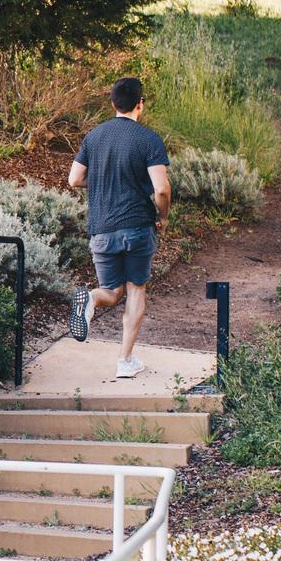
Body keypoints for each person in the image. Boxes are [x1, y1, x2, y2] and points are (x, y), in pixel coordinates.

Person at [65, 76, 171, 379]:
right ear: (141, 104)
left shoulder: (94, 137)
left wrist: (102, 180)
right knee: (136, 289)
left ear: (112, 104)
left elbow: (74, 180)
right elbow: (161, 189)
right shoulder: (148, 139)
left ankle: (91, 300)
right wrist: (162, 216)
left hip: (102, 227)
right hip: (137, 226)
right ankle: (125, 361)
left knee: (111, 291)